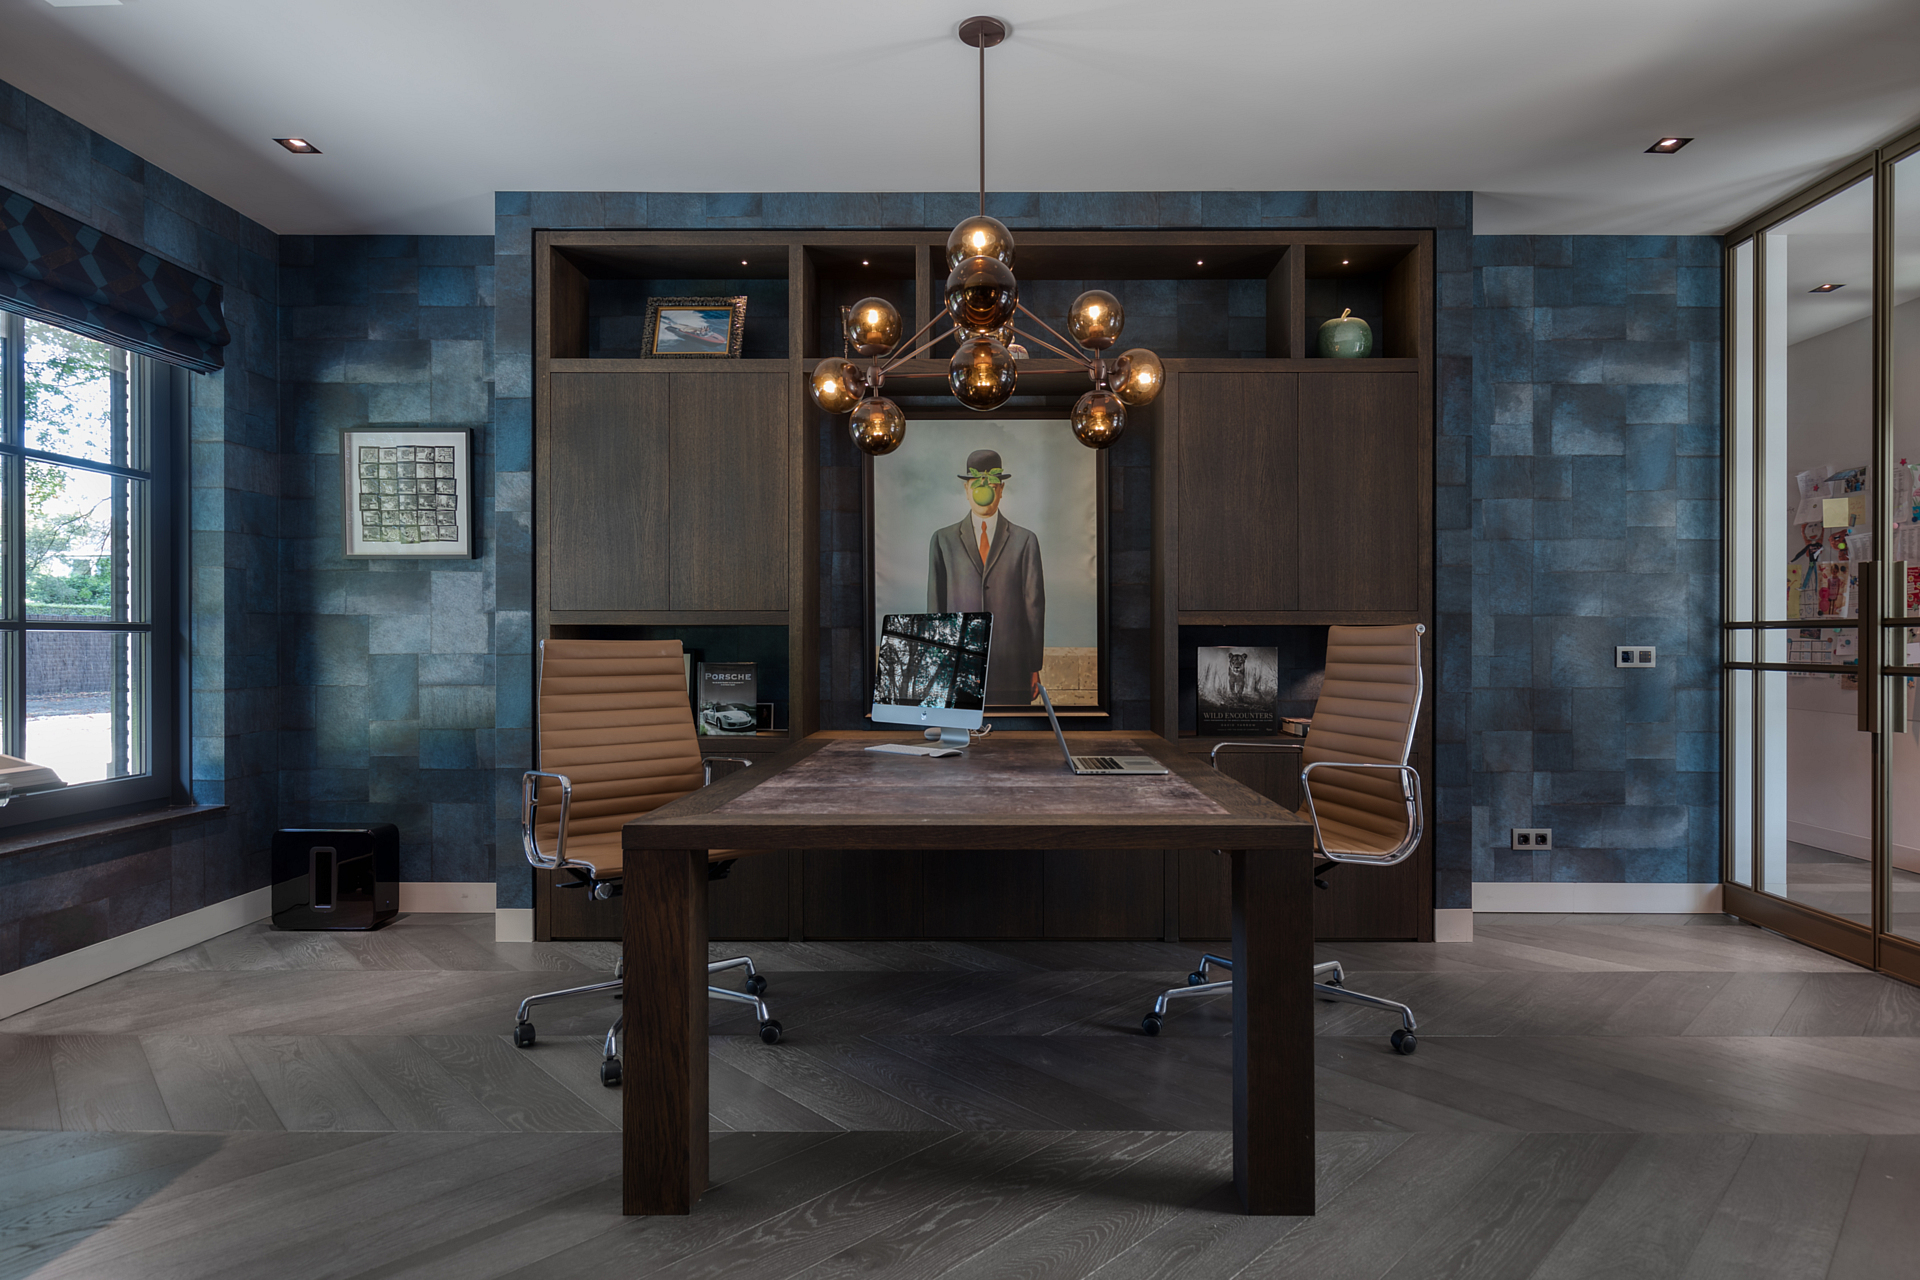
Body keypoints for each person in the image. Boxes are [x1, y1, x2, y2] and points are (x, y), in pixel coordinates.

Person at [927, 449, 1045, 703]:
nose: (985, 492)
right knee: (959, 739)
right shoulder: (942, 540)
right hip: (958, 666)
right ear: (967, 489)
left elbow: (1034, 608)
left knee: (1012, 739)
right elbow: (935, 609)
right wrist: (936, 663)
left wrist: (1034, 666)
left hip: (1012, 667)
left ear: (1001, 489)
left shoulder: (1026, 541)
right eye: (977, 484)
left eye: (991, 484)